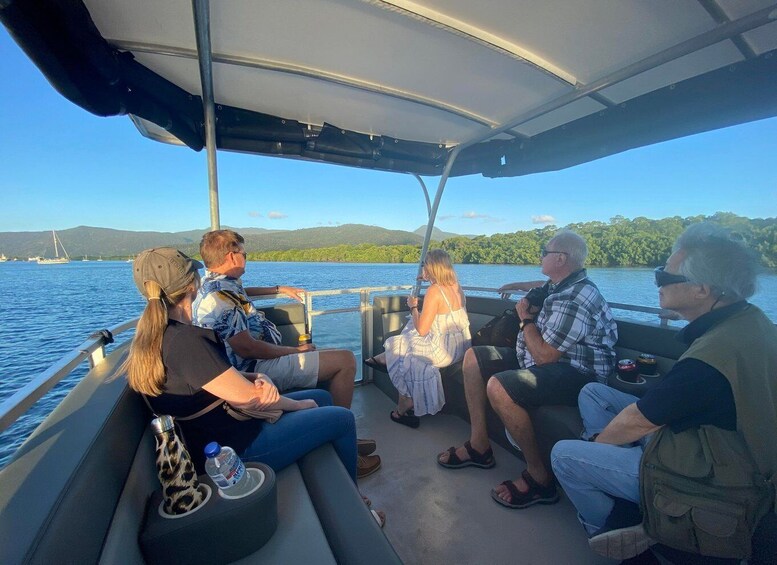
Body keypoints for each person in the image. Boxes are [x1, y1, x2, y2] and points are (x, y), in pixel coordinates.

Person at [551, 223, 777, 561]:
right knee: (594, 393)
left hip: (709, 475)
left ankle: (613, 536)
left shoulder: (711, 359)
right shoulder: (748, 321)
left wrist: (595, 445)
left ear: (702, 289)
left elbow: (637, 421)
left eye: (663, 276)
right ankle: (625, 492)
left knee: (565, 456)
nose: (656, 284)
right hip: (708, 437)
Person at [437, 230, 618, 511]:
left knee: (499, 386)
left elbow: (546, 357)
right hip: (539, 359)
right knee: (474, 357)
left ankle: (540, 478)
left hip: (577, 374)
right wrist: (517, 284)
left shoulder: (577, 297)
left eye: (545, 252)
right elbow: (541, 285)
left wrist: (525, 320)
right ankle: (479, 446)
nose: (540, 256)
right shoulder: (561, 284)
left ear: (560, 259)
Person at [192, 230, 380, 478]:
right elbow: (248, 348)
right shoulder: (221, 300)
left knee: (334, 356)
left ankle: (344, 436)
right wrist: (295, 350)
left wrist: (278, 288)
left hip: (256, 362)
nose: (246, 258)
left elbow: (243, 292)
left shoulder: (217, 285)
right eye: (244, 253)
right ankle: (342, 443)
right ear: (231, 255)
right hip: (255, 369)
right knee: (345, 361)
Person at [364, 249, 471, 427]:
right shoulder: (455, 285)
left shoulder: (434, 291)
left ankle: (405, 398)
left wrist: (413, 307)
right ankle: (387, 366)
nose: (424, 267)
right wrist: (429, 278)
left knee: (395, 345)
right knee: (409, 335)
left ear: (432, 267)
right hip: (461, 347)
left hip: (443, 352)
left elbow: (422, 330)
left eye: (425, 264)